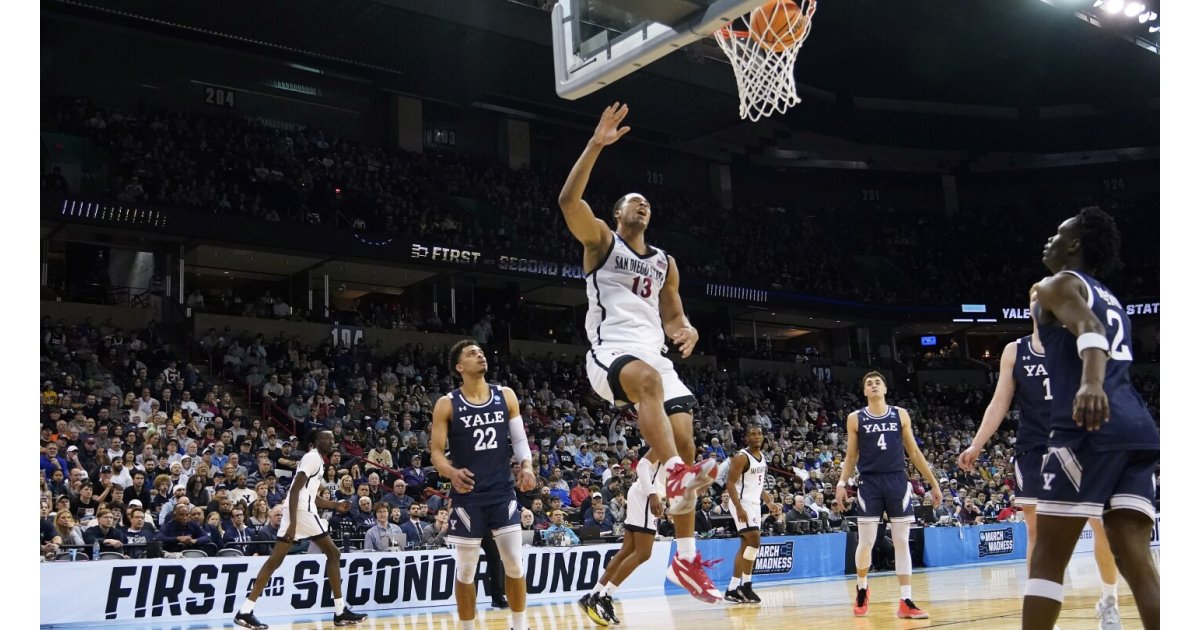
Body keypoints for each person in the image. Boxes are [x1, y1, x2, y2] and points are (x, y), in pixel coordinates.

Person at [558, 101, 719, 603]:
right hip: (612, 352)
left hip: (655, 354)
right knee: (653, 396)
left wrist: (686, 327)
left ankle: (688, 560)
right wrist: (595, 145)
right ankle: (672, 475)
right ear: (617, 214)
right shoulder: (601, 243)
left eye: (646, 201)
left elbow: (673, 315)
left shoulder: (666, 262)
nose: (641, 205)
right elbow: (567, 201)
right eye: (632, 200)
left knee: (687, 437)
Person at [1021, 208, 1160, 630]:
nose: (1049, 241)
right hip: (1137, 429)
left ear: (1076, 244)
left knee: (1047, 556)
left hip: (1088, 427)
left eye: (1058, 233)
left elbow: (1090, 328)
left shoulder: (1057, 284)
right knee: (1136, 560)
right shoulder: (1112, 296)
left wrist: (1091, 383)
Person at [957, 285, 1124, 628]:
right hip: (1034, 448)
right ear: (1029, 307)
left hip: (1079, 445)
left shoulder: (1077, 343)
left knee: (1101, 525)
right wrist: (977, 444)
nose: (1039, 303)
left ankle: (1109, 600)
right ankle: (1045, 613)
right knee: (1037, 533)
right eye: (1034, 298)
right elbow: (999, 401)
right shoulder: (1013, 351)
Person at [430, 340, 537, 630]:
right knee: (466, 569)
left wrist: (527, 466)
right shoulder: (447, 403)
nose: (480, 354)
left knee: (514, 562)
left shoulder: (506, 395)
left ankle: (520, 625)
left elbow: (519, 441)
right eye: (471, 353)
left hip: (502, 491)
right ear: (459, 367)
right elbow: (436, 453)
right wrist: (451, 472)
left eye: (481, 351)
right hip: (468, 497)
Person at [834, 371, 942, 620]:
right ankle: (862, 587)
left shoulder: (900, 414)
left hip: (897, 480)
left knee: (902, 541)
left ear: (885, 389)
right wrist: (841, 483)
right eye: (868, 383)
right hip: (869, 482)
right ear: (864, 391)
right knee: (866, 542)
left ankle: (905, 600)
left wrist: (933, 483)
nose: (873, 385)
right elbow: (851, 456)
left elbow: (913, 451)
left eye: (877, 382)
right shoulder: (855, 418)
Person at [232, 430, 365, 629]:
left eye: (332, 439)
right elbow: (294, 491)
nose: (331, 441)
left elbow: (309, 495)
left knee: (275, 561)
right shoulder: (312, 458)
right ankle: (339, 612)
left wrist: (335, 506)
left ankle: (245, 610)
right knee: (333, 554)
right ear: (314, 442)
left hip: (300, 509)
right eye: (326, 438)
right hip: (301, 512)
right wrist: (293, 523)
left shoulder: (317, 461)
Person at [579, 451, 664, 626]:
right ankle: (606, 595)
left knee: (627, 551)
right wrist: (653, 495)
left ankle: (594, 594)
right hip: (646, 496)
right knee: (643, 553)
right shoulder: (667, 437)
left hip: (642, 495)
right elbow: (642, 465)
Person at [723, 424, 777, 604]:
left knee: (746, 545)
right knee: (754, 540)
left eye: (759, 434)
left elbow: (759, 485)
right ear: (746, 438)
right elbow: (730, 483)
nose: (756, 437)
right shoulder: (741, 457)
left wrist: (769, 501)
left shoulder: (762, 458)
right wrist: (738, 507)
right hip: (741, 502)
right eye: (752, 434)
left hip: (754, 503)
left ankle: (732, 588)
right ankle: (745, 585)